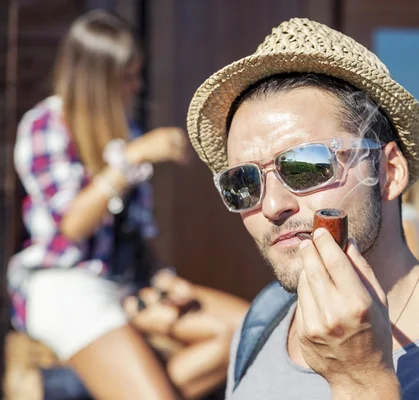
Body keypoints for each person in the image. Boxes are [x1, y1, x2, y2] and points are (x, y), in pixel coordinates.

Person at [184, 18, 419, 399]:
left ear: (389, 173)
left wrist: (362, 379)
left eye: (306, 166)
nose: (273, 205)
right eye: (242, 182)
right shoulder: (268, 317)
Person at [7, 10, 247, 400]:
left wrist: (164, 276)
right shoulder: (45, 125)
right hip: (65, 283)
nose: (137, 86)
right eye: (127, 77)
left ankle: (66, 392)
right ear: (96, 80)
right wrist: (131, 159)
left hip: (126, 284)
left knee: (248, 332)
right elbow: (72, 224)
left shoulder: (127, 131)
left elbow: (140, 230)